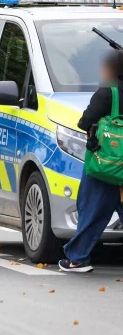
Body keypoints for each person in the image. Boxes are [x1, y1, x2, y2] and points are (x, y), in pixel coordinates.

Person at [61, 50, 123, 273]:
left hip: (105, 165)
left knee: (91, 211)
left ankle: (77, 258)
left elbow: (84, 121)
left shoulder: (108, 93)